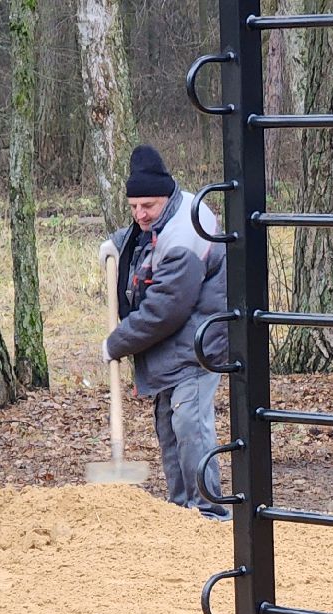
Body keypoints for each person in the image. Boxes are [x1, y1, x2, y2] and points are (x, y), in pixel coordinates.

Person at [99, 145, 230, 521]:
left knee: (190, 424)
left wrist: (116, 342)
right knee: (168, 428)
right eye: (134, 206)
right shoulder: (161, 216)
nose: (140, 214)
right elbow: (145, 237)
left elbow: (164, 310)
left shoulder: (186, 232)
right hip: (171, 346)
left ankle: (208, 510)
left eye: (148, 206)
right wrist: (119, 242)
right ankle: (180, 512)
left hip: (198, 344)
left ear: (167, 197)